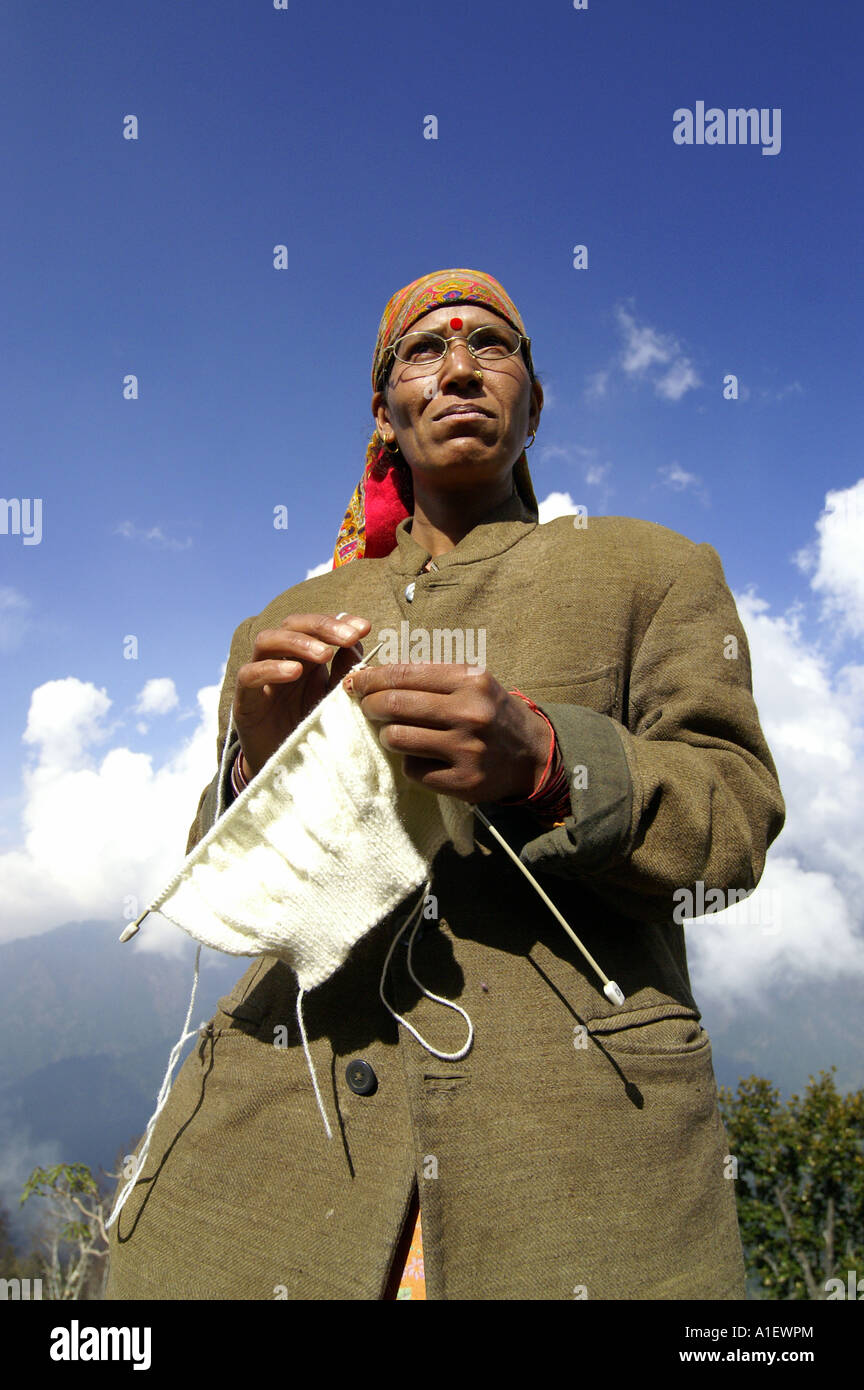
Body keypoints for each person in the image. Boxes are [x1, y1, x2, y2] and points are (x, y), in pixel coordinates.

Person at [105, 267, 785, 1301]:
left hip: (582, 1171)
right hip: (267, 1164)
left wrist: (551, 762)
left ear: (535, 402)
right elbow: (226, 881)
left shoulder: (652, 571)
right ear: (384, 410)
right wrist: (257, 759)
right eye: (423, 351)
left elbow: (731, 820)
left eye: (493, 346)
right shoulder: (282, 620)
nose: (460, 367)